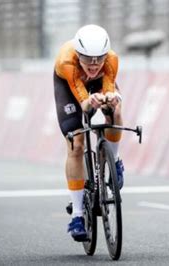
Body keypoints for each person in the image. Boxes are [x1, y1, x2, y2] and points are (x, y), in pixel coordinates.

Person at [53, 24, 125, 242]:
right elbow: (84, 103)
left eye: (98, 58)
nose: (94, 64)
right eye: (87, 58)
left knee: (115, 109)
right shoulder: (67, 61)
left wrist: (109, 99)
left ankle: (116, 160)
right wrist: (89, 103)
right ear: (78, 54)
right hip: (70, 87)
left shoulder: (111, 60)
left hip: (97, 86)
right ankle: (76, 214)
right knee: (76, 142)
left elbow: (109, 87)